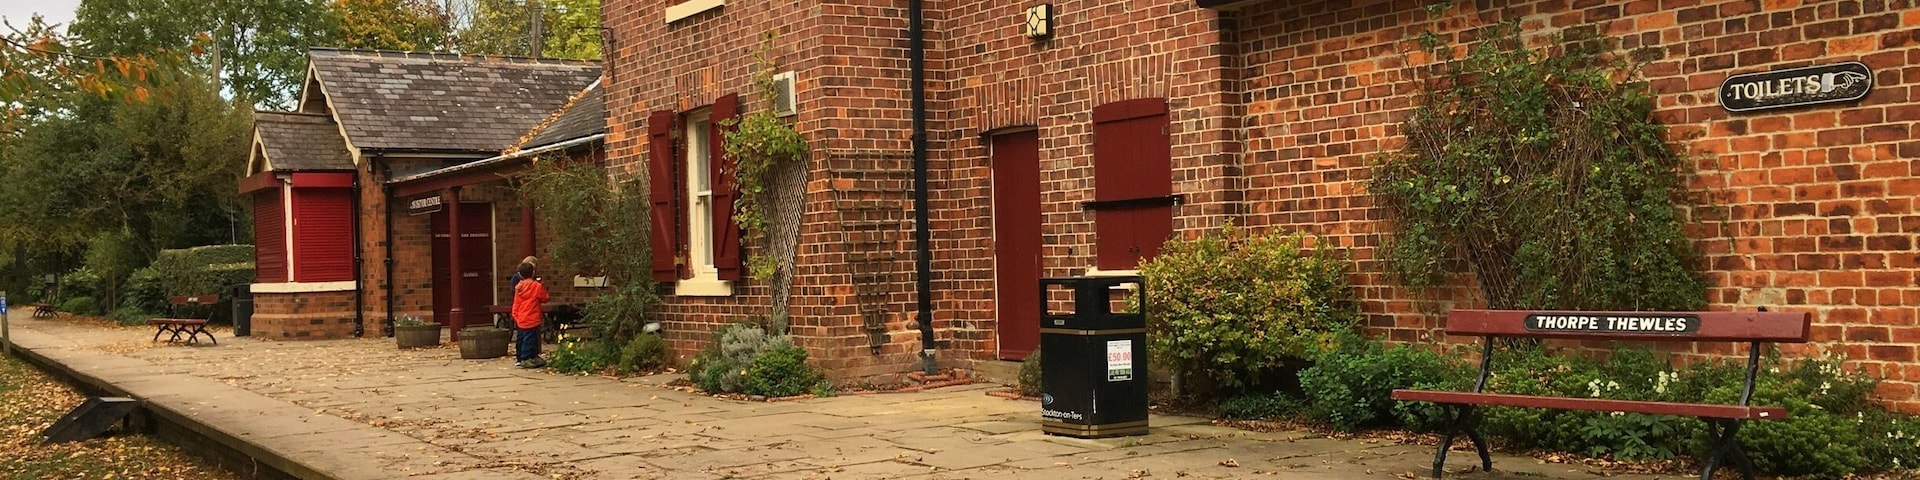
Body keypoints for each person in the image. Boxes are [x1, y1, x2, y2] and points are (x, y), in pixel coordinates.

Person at [511, 262, 550, 368]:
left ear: (520, 274)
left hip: (520, 316)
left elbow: (516, 302)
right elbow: (545, 298)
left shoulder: (518, 287)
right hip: (532, 317)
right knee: (531, 339)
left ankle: (521, 357)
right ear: (533, 273)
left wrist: (515, 315)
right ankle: (526, 357)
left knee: (522, 338)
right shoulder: (536, 286)